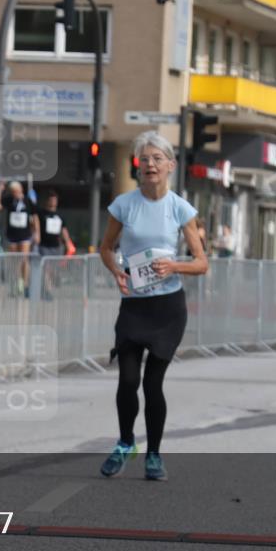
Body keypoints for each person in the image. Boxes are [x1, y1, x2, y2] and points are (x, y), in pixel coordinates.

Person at [98, 131, 208, 481]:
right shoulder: (123, 205)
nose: (150, 165)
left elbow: (201, 262)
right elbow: (105, 248)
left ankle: (154, 455)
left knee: (152, 384)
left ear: (170, 165)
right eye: (144, 159)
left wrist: (174, 266)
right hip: (134, 304)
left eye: (157, 159)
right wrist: (116, 270)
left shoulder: (180, 209)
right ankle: (125, 441)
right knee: (127, 380)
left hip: (167, 309)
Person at [0, 180, 39, 295]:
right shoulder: (9, 200)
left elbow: (35, 216)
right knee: (15, 260)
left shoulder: (28, 201)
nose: (15, 194)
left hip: (25, 235)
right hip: (12, 235)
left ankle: (26, 284)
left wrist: (37, 233)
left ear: (20, 190)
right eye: (12, 192)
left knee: (24, 259)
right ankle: (17, 283)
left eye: (16, 191)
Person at [36, 189, 74, 258]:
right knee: (46, 266)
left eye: (55, 200)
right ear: (47, 201)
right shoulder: (41, 214)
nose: (53, 202)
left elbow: (64, 230)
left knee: (55, 266)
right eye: (51, 200)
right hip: (44, 246)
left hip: (57, 246)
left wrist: (68, 243)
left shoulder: (60, 216)